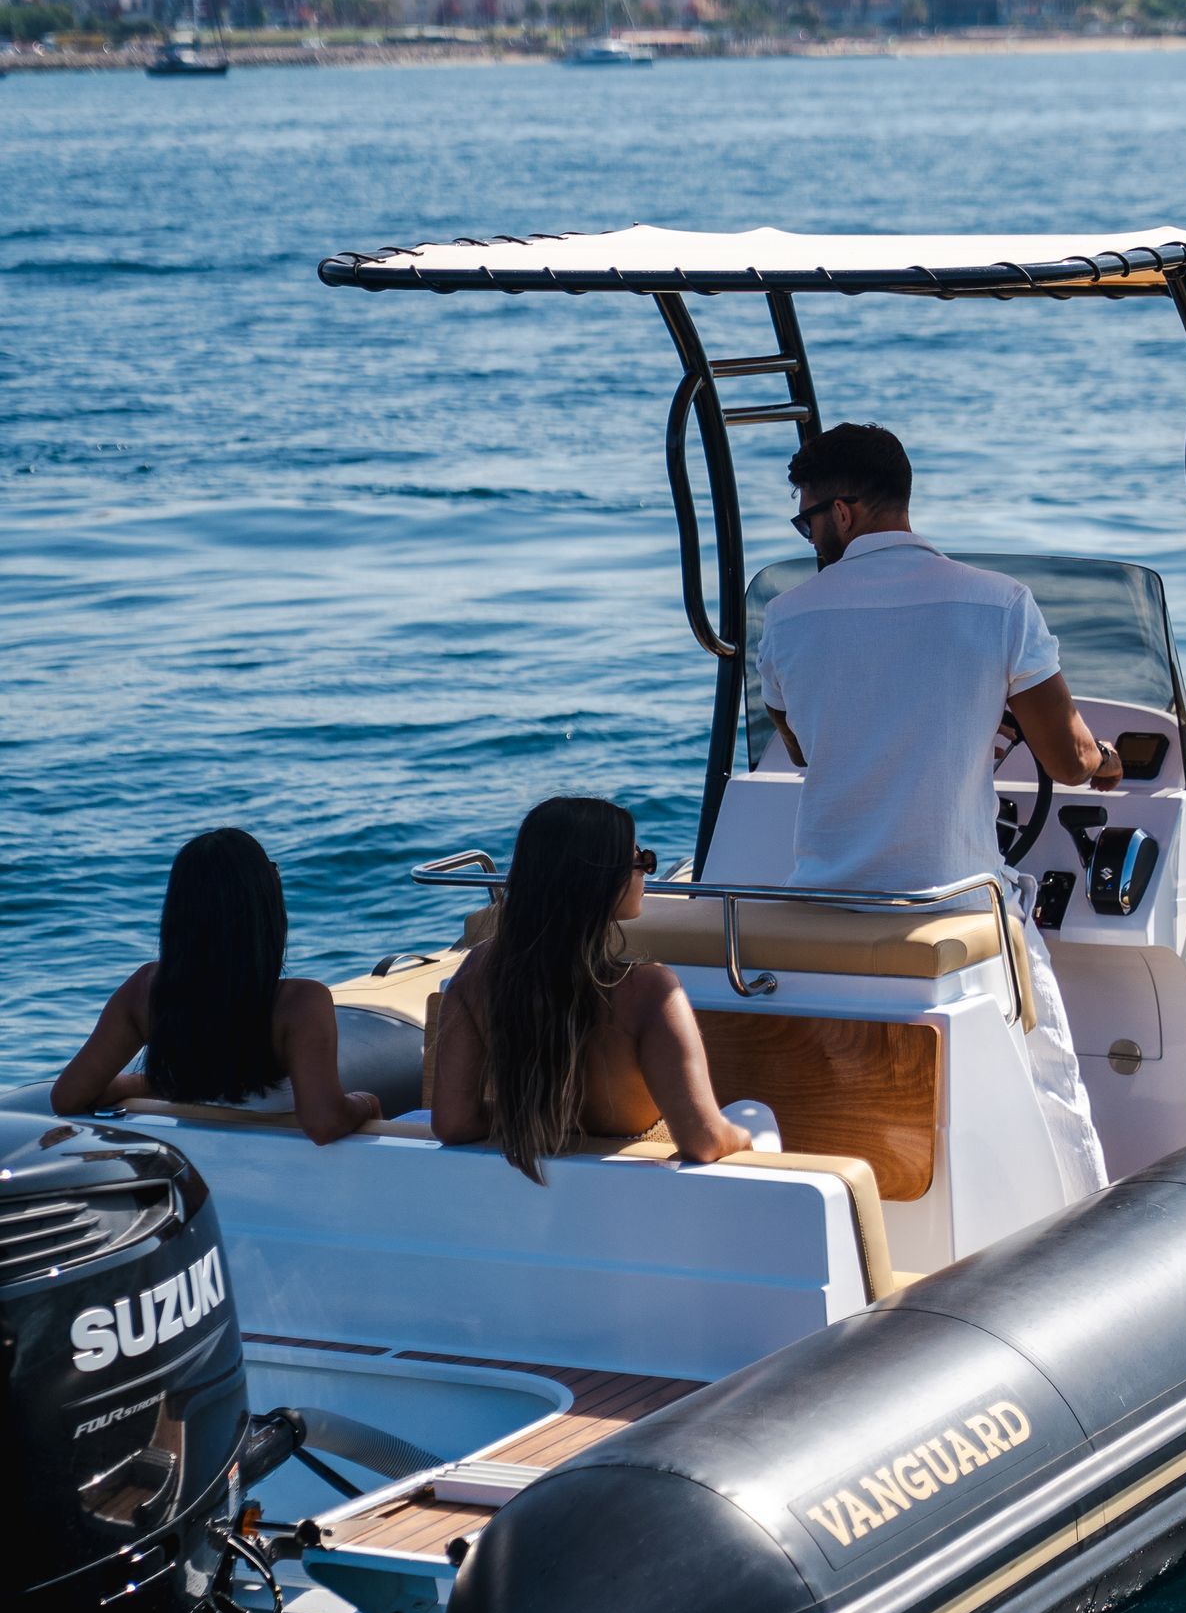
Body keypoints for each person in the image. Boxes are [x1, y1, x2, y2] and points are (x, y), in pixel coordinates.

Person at [757, 422, 1121, 1202]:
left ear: (842, 513)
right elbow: (1070, 761)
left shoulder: (787, 618)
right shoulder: (1000, 604)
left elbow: (810, 748)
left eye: (807, 520)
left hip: (823, 911)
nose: (809, 536)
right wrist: (1107, 763)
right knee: (1053, 1090)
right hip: (956, 912)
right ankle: (1083, 1218)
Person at [431, 793, 750, 1180]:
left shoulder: (479, 970)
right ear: (601, 881)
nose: (646, 871)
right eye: (640, 861)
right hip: (630, 1193)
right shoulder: (649, 991)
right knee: (754, 1115)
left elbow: (453, 1123)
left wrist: (535, 1117)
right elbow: (703, 1143)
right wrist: (745, 1135)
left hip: (527, 1186)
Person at [52, 827, 381, 1143]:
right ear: (260, 904)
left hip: (194, 1169)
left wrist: (143, 1084)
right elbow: (324, 1123)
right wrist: (367, 1102)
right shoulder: (299, 1003)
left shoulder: (145, 989)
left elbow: (68, 1097)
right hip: (284, 1171)